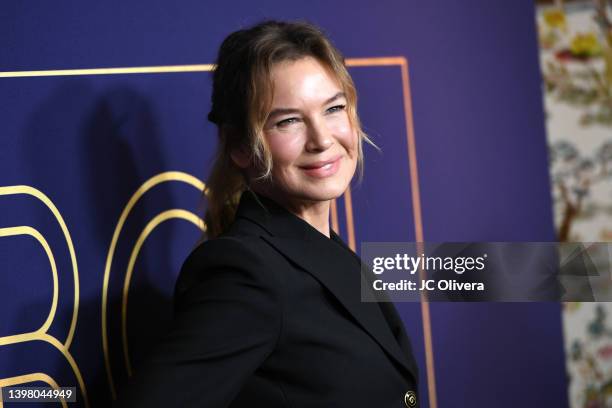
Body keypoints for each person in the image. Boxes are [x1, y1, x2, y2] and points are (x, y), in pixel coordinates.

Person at [115, 20, 419, 408]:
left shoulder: (322, 250)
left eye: (334, 108)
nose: (323, 139)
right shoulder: (246, 274)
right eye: (288, 120)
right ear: (241, 146)